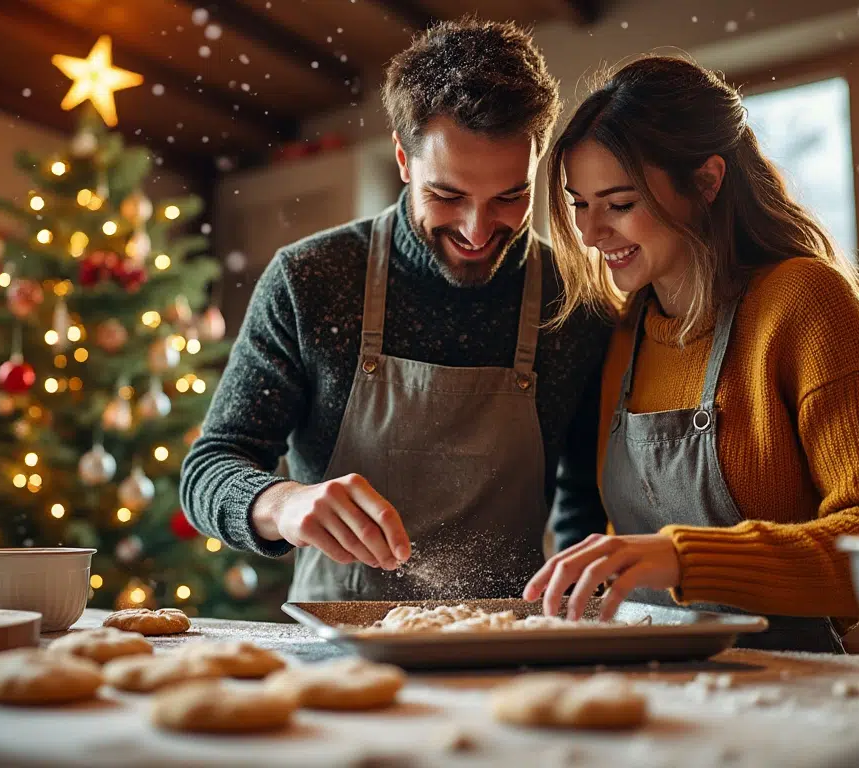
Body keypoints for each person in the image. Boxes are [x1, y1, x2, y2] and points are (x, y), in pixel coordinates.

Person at [180, 19, 612, 602]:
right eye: (448, 195)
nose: (477, 230)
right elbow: (210, 466)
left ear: (537, 164)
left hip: (509, 650)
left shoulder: (575, 300)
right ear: (404, 160)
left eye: (511, 195)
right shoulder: (310, 278)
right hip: (339, 651)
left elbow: (584, 501)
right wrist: (283, 503)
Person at [522, 55, 859, 652]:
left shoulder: (803, 303)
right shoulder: (620, 333)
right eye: (579, 204)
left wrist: (684, 558)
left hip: (794, 690)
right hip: (650, 687)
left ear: (707, 181)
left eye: (618, 204)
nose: (590, 233)